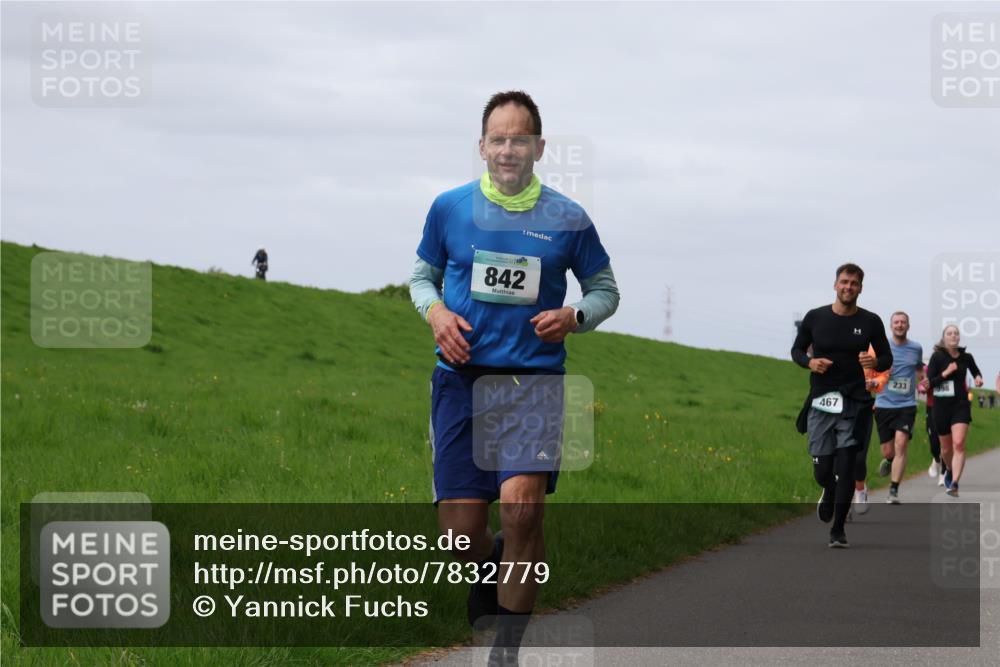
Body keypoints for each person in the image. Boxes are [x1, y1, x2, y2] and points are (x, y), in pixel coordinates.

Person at [408, 91, 619, 665]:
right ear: (482, 146)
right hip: (460, 380)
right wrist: (436, 312)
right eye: (497, 139)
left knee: (522, 510)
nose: (508, 150)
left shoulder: (568, 218)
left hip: (534, 383)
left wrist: (577, 316)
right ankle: (487, 566)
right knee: (459, 535)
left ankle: (506, 651)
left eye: (519, 139)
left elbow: (606, 290)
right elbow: (420, 277)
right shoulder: (449, 208)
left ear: (538, 147)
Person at [792, 263, 892, 548]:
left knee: (849, 463)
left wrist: (874, 362)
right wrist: (810, 362)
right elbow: (797, 350)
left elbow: (886, 358)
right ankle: (829, 487)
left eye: (855, 283)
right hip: (822, 399)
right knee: (823, 469)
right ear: (835, 285)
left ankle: (838, 530)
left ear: (860, 288)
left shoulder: (871, 321)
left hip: (854, 401)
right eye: (844, 282)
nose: (849, 287)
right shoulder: (815, 317)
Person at [926, 325, 984, 497]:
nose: (953, 335)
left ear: (959, 338)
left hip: (960, 405)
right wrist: (945, 373)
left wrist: (979, 379)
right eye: (949, 333)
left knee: (958, 443)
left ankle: (955, 484)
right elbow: (930, 383)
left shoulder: (966, 357)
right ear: (944, 338)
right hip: (941, 407)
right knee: (945, 449)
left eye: (956, 333)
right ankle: (949, 469)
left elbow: (976, 372)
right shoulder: (937, 357)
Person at [872, 312, 923, 504]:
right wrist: (882, 371)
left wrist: (923, 380)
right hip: (884, 403)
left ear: (908, 326)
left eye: (903, 322)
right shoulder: (880, 347)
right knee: (888, 451)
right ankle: (889, 460)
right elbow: (869, 371)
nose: (900, 325)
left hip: (906, 405)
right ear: (891, 325)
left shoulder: (916, 348)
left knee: (901, 444)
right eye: (896, 322)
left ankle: (893, 490)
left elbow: (918, 368)